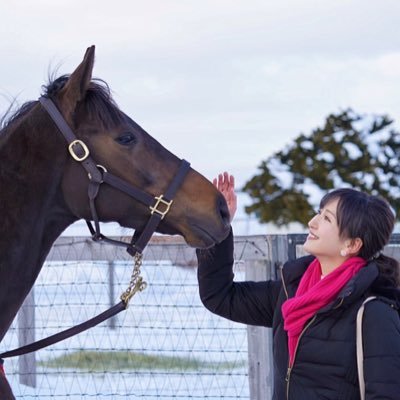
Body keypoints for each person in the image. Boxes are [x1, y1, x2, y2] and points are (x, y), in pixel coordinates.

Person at [196, 172, 400, 399]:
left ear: (351, 244)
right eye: (319, 213)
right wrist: (216, 225)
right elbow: (221, 296)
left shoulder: (375, 312)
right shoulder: (292, 292)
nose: (312, 223)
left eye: (327, 219)